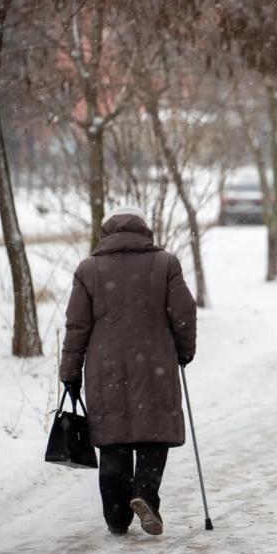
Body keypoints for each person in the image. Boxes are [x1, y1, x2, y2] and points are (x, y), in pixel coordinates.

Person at [59, 205, 197, 536]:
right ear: (144, 231)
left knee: (113, 438)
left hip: (104, 368)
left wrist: (70, 371)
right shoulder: (165, 264)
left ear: (105, 234)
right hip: (154, 366)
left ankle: (117, 516)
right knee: (154, 432)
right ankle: (145, 493)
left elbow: (77, 326)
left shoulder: (89, 269)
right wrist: (184, 351)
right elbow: (184, 313)